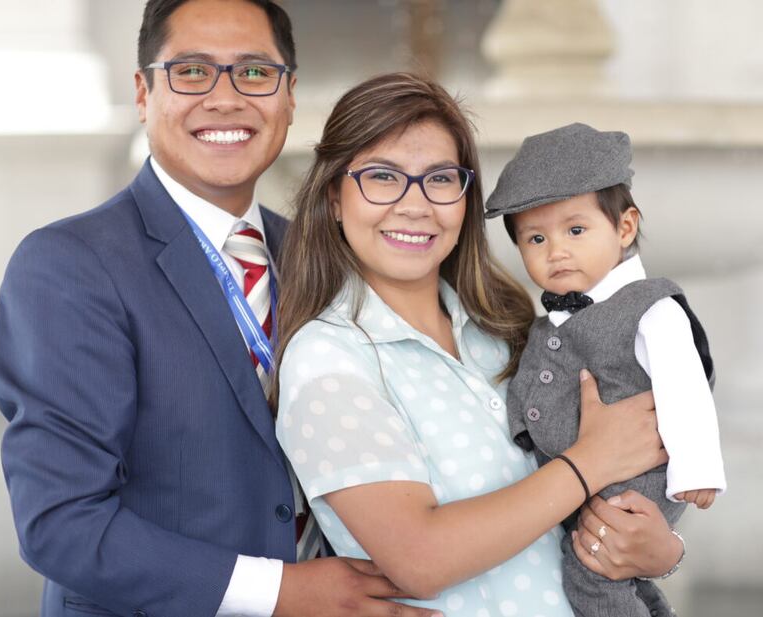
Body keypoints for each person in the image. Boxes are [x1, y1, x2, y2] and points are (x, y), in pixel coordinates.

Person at [0, 2, 442, 617]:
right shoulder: (69, 265)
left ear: (288, 96)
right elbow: (62, 523)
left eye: (255, 73)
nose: (226, 98)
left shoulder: (321, 257)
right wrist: (286, 591)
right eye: (193, 72)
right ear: (144, 92)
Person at [274, 73, 686, 617]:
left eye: (440, 179)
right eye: (381, 177)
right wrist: (590, 462)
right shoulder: (328, 360)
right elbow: (419, 558)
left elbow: (627, 470)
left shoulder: (508, 325)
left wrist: (662, 551)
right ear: (334, 196)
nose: (415, 205)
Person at [484, 122, 727, 616]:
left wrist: (697, 466)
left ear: (625, 228)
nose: (556, 251)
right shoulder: (552, 320)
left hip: (635, 478)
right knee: (611, 573)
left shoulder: (650, 307)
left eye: (576, 230)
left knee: (592, 572)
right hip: (584, 476)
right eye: (534, 238)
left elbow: (686, 384)